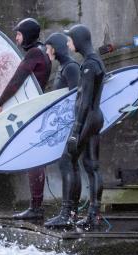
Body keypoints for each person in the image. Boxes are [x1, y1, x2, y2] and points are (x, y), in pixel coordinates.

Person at [0, 18, 52, 220]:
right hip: (36, 109)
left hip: (31, 112)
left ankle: (36, 208)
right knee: (36, 160)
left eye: (18, 34)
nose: (16, 39)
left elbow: (17, 80)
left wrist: (0, 103)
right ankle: (36, 206)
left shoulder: (34, 53)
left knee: (34, 160)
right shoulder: (42, 52)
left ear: (27, 34)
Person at [56, 24, 106, 231]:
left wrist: (76, 131)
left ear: (78, 41)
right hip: (96, 118)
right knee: (91, 165)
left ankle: (68, 214)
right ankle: (93, 215)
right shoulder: (96, 62)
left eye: (70, 39)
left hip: (87, 119)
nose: (68, 43)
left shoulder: (87, 65)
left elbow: (84, 102)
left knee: (67, 159)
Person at [42, 32, 81, 228]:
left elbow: (77, 97)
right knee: (69, 164)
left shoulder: (72, 67)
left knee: (69, 164)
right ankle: (70, 213)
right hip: (66, 125)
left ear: (55, 47)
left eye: (48, 47)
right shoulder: (64, 67)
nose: (46, 50)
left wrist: (74, 128)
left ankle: (68, 213)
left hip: (72, 125)